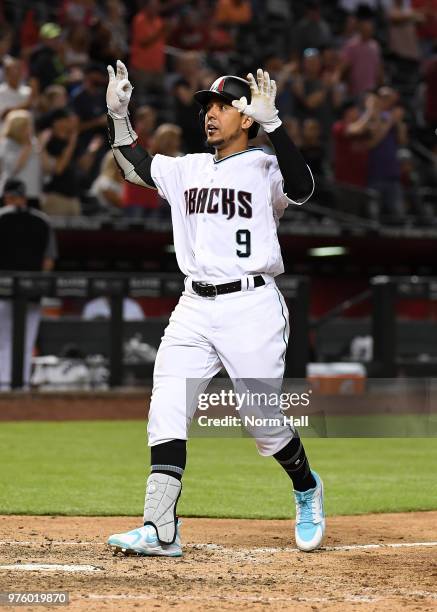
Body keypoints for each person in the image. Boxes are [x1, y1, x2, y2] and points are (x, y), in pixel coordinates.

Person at [105, 60, 324, 557]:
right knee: (166, 405)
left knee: (263, 423)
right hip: (195, 304)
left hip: (252, 305)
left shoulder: (267, 165)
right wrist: (118, 115)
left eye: (224, 106)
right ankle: (160, 527)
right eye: (208, 106)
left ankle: (306, 486)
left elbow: (303, 188)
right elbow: (135, 166)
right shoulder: (187, 168)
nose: (212, 113)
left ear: (246, 118)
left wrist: (275, 126)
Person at [0, 178, 57, 390]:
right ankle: (21, 385)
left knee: (3, 341)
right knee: (25, 343)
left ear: (8, 196)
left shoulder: (1, 217)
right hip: (33, 293)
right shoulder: (42, 220)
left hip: (3, 292)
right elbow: (48, 261)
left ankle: (3, 387)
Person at [0, 109, 43, 208]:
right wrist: (27, 147)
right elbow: (14, 168)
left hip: (33, 194)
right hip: (13, 196)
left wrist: (41, 146)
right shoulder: (7, 143)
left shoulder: (34, 142)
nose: (30, 129)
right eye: (27, 125)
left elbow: (44, 168)